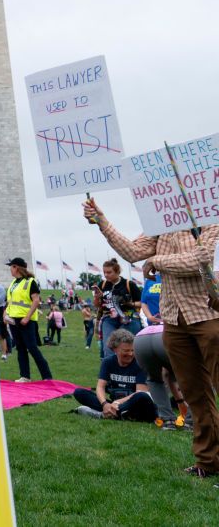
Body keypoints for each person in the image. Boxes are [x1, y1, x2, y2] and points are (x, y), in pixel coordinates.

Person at [83, 198, 219, 478]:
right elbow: (132, 252)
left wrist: (156, 260)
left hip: (207, 315)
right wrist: (101, 221)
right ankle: (209, 462)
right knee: (195, 393)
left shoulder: (208, 214)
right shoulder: (162, 223)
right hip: (174, 321)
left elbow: (201, 258)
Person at [73, 329, 156, 422]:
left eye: (133, 350)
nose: (130, 354)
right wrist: (105, 404)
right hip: (113, 404)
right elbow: (100, 387)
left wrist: (117, 403)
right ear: (114, 349)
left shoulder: (141, 363)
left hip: (133, 404)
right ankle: (117, 413)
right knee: (79, 392)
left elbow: (140, 392)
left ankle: (103, 415)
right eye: (126, 350)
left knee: (142, 396)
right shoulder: (107, 362)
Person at [134, 323, 192, 430]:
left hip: (140, 338)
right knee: (196, 378)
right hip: (165, 336)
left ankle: (167, 420)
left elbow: (167, 375)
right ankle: (192, 421)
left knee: (154, 379)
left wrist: (180, 402)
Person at [4, 258, 53, 382]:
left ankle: (47, 377)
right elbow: (10, 302)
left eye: (12, 266)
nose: (10, 269)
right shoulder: (13, 283)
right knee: (20, 348)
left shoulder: (30, 282)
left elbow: (36, 300)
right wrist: (5, 314)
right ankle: (25, 376)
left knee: (32, 348)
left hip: (26, 320)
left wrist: (27, 317)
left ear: (17, 268)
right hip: (13, 320)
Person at [92, 258, 142, 356]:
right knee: (108, 347)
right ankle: (111, 369)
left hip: (128, 318)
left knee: (126, 347)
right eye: (104, 272)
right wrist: (97, 298)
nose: (106, 275)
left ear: (117, 271)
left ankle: (130, 369)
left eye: (109, 272)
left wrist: (129, 303)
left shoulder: (128, 284)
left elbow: (141, 303)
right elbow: (97, 305)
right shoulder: (102, 284)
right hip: (109, 318)